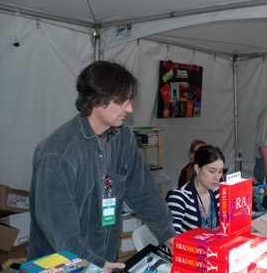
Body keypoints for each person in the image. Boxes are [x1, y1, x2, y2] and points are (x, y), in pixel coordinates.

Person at [28, 61, 176, 272]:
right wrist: (96, 265)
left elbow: (142, 190)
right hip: (62, 265)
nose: (130, 108)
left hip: (102, 258)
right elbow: (61, 233)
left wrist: (166, 232)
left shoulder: (122, 136)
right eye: (123, 101)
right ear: (98, 100)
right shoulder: (57, 155)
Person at [167, 145, 224, 234]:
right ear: (197, 168)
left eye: (220, 172)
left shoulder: (217, 194)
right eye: (212, 171)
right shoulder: (179, 198)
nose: (217, 177)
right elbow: (173, 241)